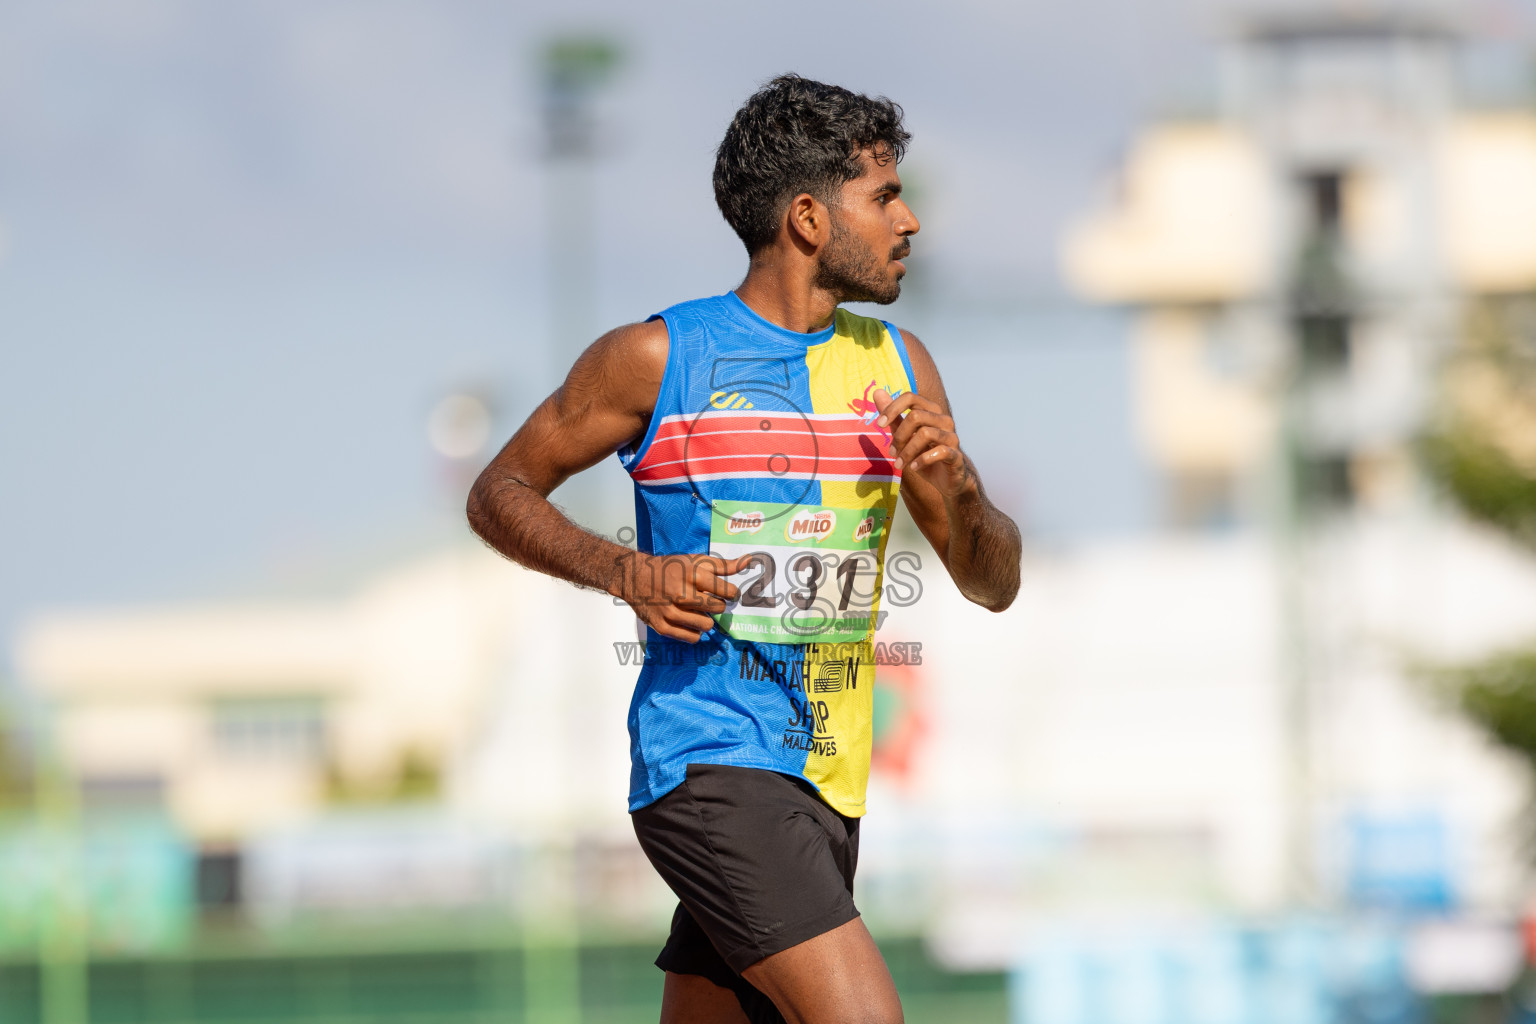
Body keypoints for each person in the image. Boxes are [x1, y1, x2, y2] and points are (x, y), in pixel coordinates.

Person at [467, 73, 1021, 1024]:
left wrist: (962, 492)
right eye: (884, 196)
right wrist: (625, 572)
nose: (910, 220)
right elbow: (498, 491)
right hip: (710, 765)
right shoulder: (655, 358)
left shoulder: (901, 366)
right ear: (809, 218)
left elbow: (992, 583)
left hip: (829, 783)